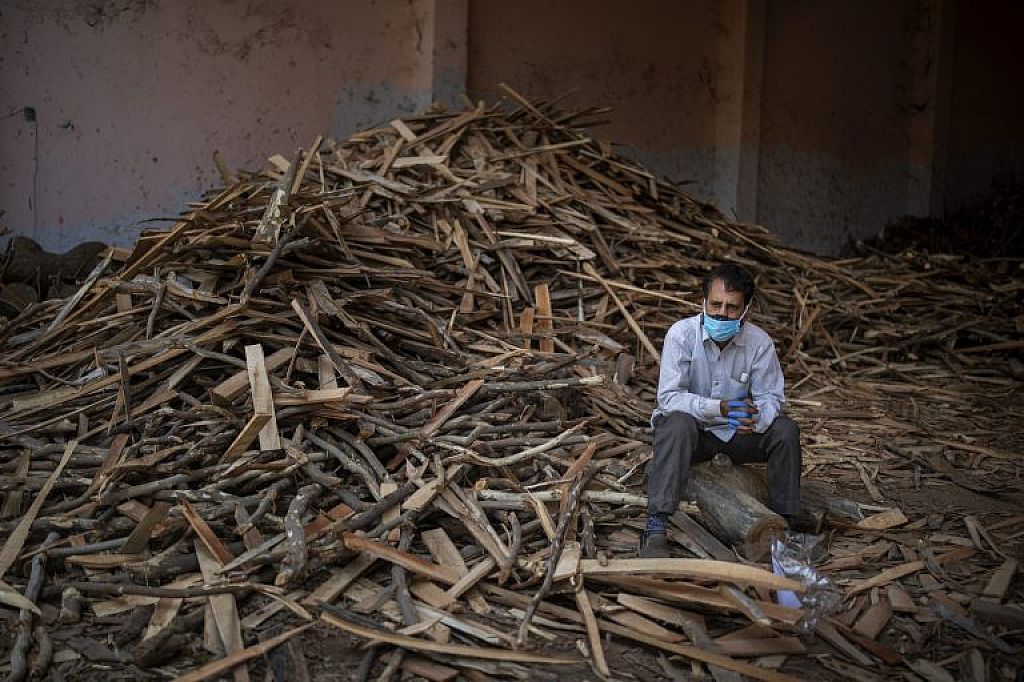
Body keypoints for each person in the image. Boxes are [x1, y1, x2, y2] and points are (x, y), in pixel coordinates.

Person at [640, 263, 802, 558]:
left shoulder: (759, 343)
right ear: (703, 302)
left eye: (731, 307)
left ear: (745, 310)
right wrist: (719, 408)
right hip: (694, 437)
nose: (721, 314)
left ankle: (786, 527)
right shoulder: (681, 335)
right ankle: (656, 527)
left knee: (785, 430)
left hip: (736, 435)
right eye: (715, 305)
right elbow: (668, 398)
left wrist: (756, 418)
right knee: (676, 423)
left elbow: (771, 397)